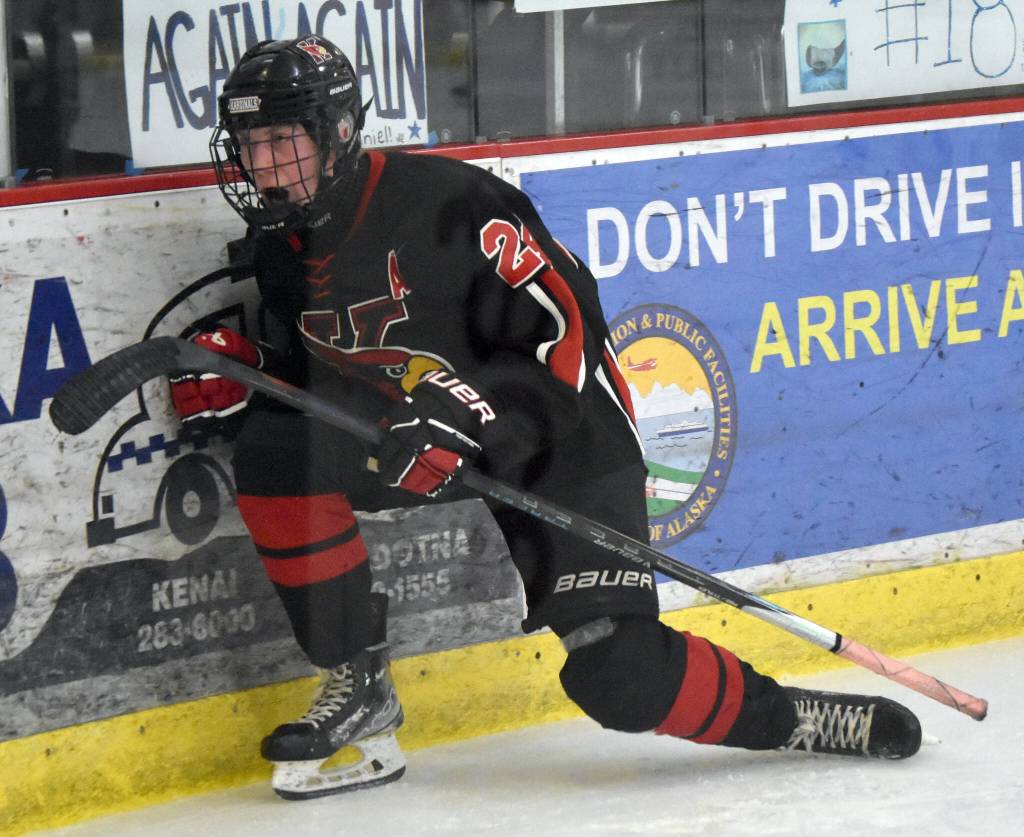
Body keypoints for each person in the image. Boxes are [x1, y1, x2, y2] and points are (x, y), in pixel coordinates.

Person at [170, 35, 922, 800]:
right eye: (251, 145)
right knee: (274, 447)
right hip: (424, 442)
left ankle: (795, 716)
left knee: (619, 677)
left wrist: (473, 416)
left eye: (281, 141)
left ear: (336, 133)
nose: (264, 167)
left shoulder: (449, 205)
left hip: (559, 437)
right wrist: (250, 372)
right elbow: (327, 378)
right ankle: (360, 689)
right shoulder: (284, 246)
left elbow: (568, 339)